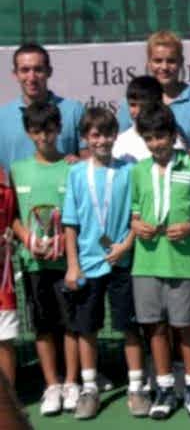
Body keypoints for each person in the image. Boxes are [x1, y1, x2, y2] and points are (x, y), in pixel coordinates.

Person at [60, 107, 148, 419]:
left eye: (108, 134)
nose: (102, 140)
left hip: (124, 263)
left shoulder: (129, 170)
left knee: (130, 327)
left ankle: (136, 387)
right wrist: (73, 265)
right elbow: (70, 224)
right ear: (85, 138)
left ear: (115, 136)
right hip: (88, 264)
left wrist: (126, 245)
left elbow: (138, 215)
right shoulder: (76, 174)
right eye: (95, 135)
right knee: (87, 329)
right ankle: (89, 389)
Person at [129, 103, 190, 419]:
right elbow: (135, 210)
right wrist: (137, 224)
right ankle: (164, 389)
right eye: (149, 138)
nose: (156, 144)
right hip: (146, 264)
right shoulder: (138, 171)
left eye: (161, 136)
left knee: (186, 328)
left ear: (173, 135)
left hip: (183, 263)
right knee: (155, 329)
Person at [9, 102, 76, 416]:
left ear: (58, 129)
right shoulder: (17, 170)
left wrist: (66, 245)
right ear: (28, 133)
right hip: (34, 263)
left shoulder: (72, 167)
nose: (43, 137)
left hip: (67, 263)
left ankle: (72, 382)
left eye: (49, 130)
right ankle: (52, 385)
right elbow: (12, 217)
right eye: (36, 131)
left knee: (71, 325)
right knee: (42, 326)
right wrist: (28, 240)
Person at [117, 31, 190, 164]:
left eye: (171, 61)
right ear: (149, 62)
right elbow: (121, 147)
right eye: (158, 61)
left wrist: (179, 154)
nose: (164, 67)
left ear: (181, 61)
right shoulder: (130, 104)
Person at [0, 43, 85, 173]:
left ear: (49, 72)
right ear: (15, 74)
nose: (32, 77)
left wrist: (80, 163)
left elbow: (90, 162)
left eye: (38, 69)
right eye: (25, 70)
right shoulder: (2, 118)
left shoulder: (74, 111)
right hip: (17, 187)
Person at [113, 76, 186, 163]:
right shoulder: (120, 142)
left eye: (143, 105)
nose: (138, 110)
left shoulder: (171, 141)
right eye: (133, 105)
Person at [0, 167, 18, 395]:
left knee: (4, 338)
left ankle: (6, 400)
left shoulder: (5, 184)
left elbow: (13, 221)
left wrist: (9, 241)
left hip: (2, 278)